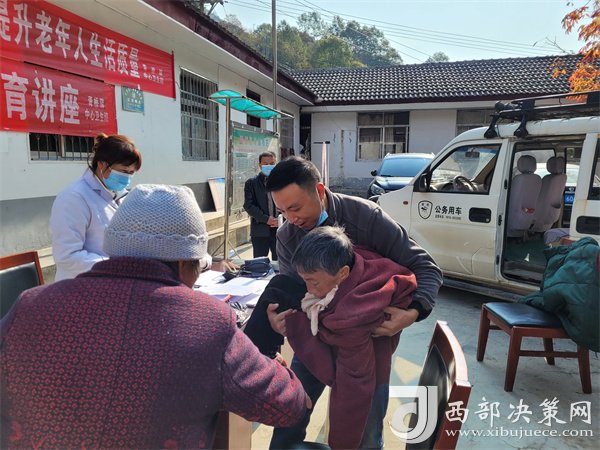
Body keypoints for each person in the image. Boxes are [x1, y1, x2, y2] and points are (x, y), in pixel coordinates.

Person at [0, 184, 309, 449]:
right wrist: (275, 365)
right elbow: (289, 406)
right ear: (185, 263)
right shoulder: (208, 322)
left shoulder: (29, 305)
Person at [265, 156, 444, 450]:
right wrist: (282, 317)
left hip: (368, 345)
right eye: (283, 211)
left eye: (295, 208)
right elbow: (294, 291)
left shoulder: (365, 217)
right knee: (289, 413)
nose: (291, 219)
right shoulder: (287, 235)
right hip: (316, 335)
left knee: (365, 432)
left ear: (319, 191)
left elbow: (426, 268)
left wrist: (412, 313)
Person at [246, 226, 417, 449]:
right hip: (343, 351)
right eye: (304, 280)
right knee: (292, 411)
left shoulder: (354, 314)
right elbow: (298, 287)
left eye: (314, 282)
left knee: (364, 434)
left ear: (343, 273)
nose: (308, 289)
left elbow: (353, 388)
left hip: (368, 367)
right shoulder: (340, 263)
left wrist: (341, 443)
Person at [50, 133, 142, 281]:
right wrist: (115, 266)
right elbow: (67, 256)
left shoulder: (120, 195)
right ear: (102, 165)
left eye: (131, 173)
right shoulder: (74, 197)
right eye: (123, 171)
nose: (127, 178)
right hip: (81, 285)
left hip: (114, 281)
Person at [243, 151, 279, 260]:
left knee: (280, 263)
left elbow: (288, 203)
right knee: (259, 264)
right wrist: (266, 219)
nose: (269, 166)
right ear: (260, 165)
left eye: (271, 163)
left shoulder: (282, 182)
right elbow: (248, 205)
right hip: (260, 231)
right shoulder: (251, 183)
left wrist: (281, 219)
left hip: (279, 230)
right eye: (265, 164)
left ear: (276, 164)